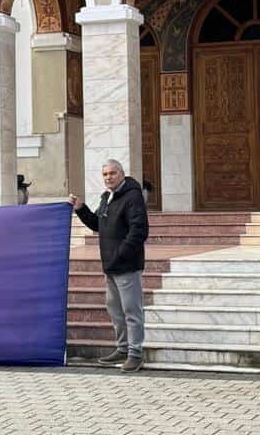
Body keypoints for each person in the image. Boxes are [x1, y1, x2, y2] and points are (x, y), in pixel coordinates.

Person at [69, 159, 149, 372]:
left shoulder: (133, 196)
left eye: (112, 173)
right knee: (115, 310)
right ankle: (122, 348)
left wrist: (121, 254)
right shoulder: (107, 197)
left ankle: (135, 354)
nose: (108, 177)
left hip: (127, 265)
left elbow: (139, 231)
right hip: (111, 266)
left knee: (132, 310)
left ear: (122, 174)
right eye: (105, 174)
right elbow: (98, 224)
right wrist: (80, 208)